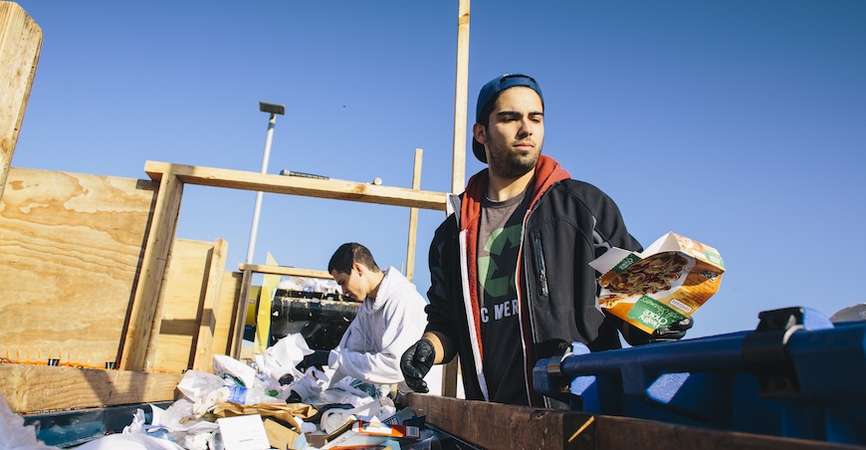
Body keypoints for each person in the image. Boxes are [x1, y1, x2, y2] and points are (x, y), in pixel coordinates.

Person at [400, 73, 691, 406]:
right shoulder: (452, 237)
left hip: (579, 419)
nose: (526, 129)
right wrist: (427, 348)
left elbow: (633, 297)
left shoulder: (582, 208)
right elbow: (447, 323)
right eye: (510, 118)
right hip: (492, 420)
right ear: (481, 132)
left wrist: (659, 322)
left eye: (535, 118)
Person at [325, 242, 428, 386]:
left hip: (424, 400)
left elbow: (397, 366)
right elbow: (349, 351)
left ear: (357, 268)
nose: (343, 291)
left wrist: (332, 359)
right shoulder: (367, 309)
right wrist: (304, 387)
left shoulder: (402, 299)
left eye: (343, 282)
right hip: (398, 397)